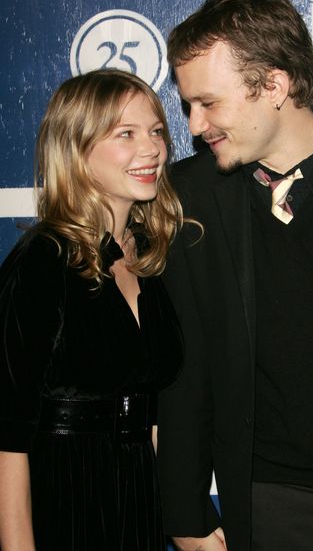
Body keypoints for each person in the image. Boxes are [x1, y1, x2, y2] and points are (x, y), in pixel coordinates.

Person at [156, 0, 313, 551]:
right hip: (277, 505)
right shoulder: (190, 198)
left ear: (274, 85)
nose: (192, 125)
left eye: (208, 103)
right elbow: (185, 372)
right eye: (188, 105)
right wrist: (185, 515)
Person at [0, 68, 184, 551]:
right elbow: (7, 438)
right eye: (126, 134)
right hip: (63, 499)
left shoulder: (149, 257)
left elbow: (156, 409)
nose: (153, 149)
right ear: (77, 149)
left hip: (138, 500)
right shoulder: (42, 261)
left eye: (156, 131)